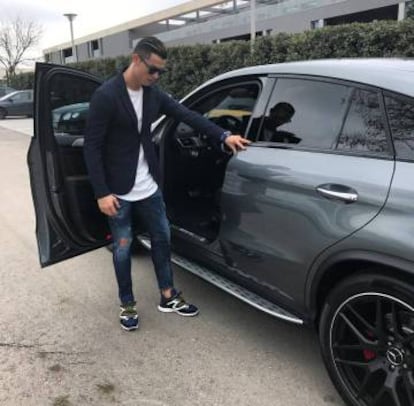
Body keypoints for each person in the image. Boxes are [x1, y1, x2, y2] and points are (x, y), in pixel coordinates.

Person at [84, 36, 250, 331]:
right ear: (136, 60)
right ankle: (127, 303)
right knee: (122, 249)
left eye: (161, 71)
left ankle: (168, 295)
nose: (157, 76)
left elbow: (188, 114)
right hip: (118, 191)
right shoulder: (106, 96)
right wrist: (102, 192)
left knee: (162, 239)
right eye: (153, 70)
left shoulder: (153, 94)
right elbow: (92, 147)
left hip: (149, 186)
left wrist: (223, 136)